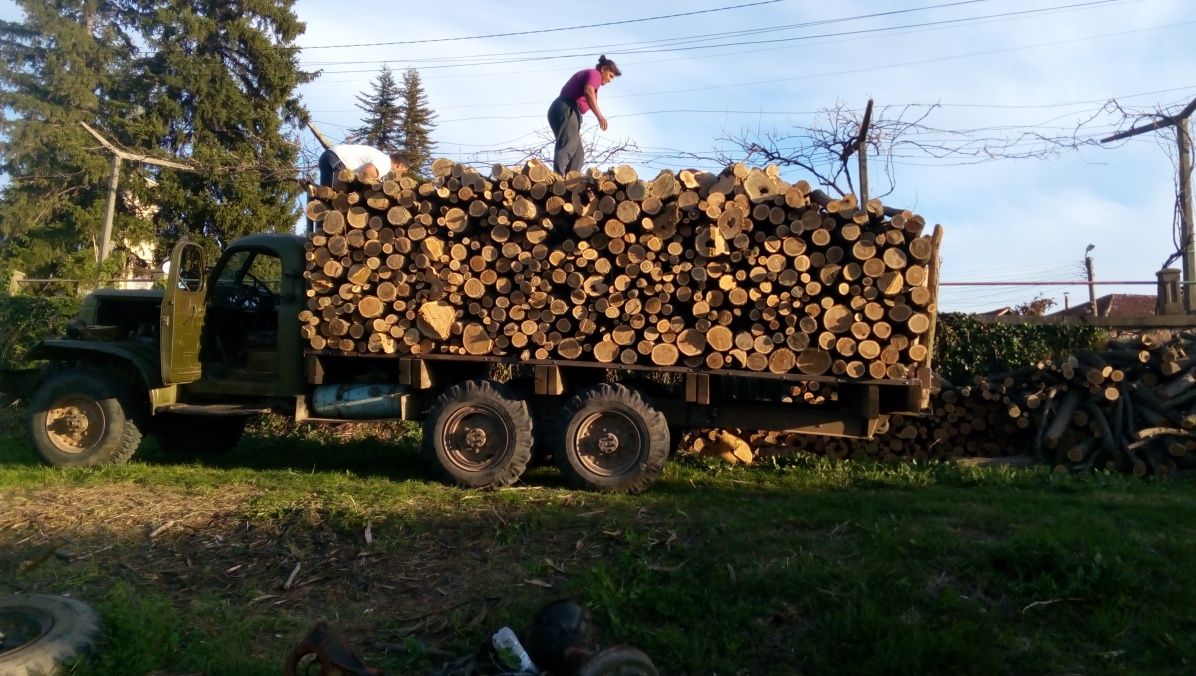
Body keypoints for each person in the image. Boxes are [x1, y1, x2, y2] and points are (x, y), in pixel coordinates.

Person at [547, 55, 621, 175]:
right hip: (566, 106)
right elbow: (588, 92)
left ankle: (571, 183)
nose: (610, 80)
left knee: (578, 153)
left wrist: (576, 131)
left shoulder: (593, 77)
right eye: (610, 76)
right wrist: (600, 116)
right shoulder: (595, 74)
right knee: (568, 144)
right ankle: (558, 178)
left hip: (570, 111)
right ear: (603, 69)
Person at [318, 143, 405, 185]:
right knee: (335, 195)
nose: (401, 175)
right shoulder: (386, 164)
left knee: (324, 194)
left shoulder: (381, 156)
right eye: (403, 172)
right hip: (336, 160)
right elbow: (368, 171)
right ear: (399, 166)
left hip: (328, 156)